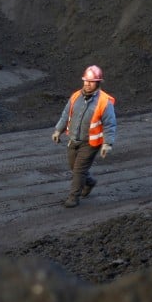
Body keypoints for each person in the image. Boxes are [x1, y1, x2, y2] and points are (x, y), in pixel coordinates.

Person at [51, 64, 116, 208]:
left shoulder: (104, 102)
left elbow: (110, 124)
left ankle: (73, 197)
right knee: (74, 167)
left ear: (98, 82)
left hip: (90, 143)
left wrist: (107, 144)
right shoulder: (76, 96)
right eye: (86, 81)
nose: (87, 84)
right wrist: (58, 130)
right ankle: (90, 182)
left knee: (79, 170)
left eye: (91, 81)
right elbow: (66, 114)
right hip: (73, 140)